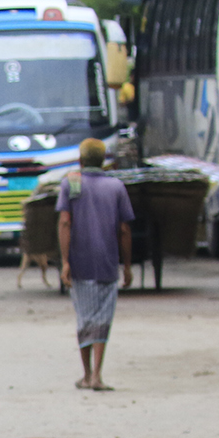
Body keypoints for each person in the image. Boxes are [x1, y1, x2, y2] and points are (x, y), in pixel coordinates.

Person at [58, 138, 134, 392]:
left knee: (84, 318)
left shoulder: (70, 183)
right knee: (103, 319)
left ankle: (86, 373)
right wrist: (127, 266)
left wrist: (66, 261)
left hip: (80, 262)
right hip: (107, 263)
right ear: (104, 161)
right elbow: (124, 230)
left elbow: (65, 223)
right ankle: (97, 376)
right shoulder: (116, 187)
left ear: (80, 159)